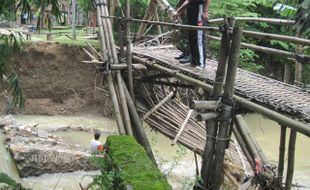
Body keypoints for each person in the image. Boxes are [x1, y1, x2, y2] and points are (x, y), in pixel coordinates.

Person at [173, 0, 211, 69]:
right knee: (192, 36)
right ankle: (194, 61)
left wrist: (205, 11)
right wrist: (178, 12)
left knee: (199, 37)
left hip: (199, 8)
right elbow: (187, 1)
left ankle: (201, 63)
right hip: (191, 9)